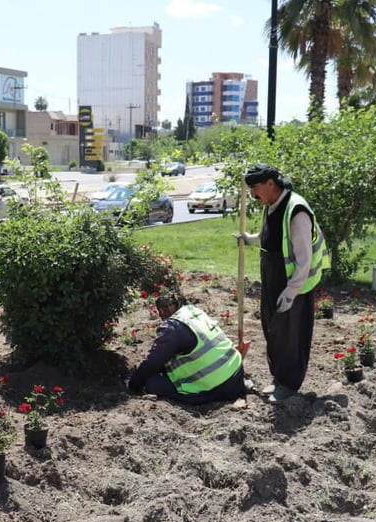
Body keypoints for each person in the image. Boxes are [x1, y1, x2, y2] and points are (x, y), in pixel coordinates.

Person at [241, 163, 325, 402]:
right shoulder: (270, 205)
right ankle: (278, 379)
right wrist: (251, 239)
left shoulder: (296, 210)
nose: (252, 195)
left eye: (255, 188)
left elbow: (303, 258)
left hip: (292, 283)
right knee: (273, 329)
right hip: (271, 276)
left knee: (290, 334)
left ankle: (289, 385)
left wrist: (291, 292)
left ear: (270, 183)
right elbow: (272, 237)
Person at [126, 289, 247, 405]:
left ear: (163, 310)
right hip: (236, 373)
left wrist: (133, 385)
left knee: (152, 383)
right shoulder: (194, 311)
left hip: (217, 387)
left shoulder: (172, 327)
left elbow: (153, 363)